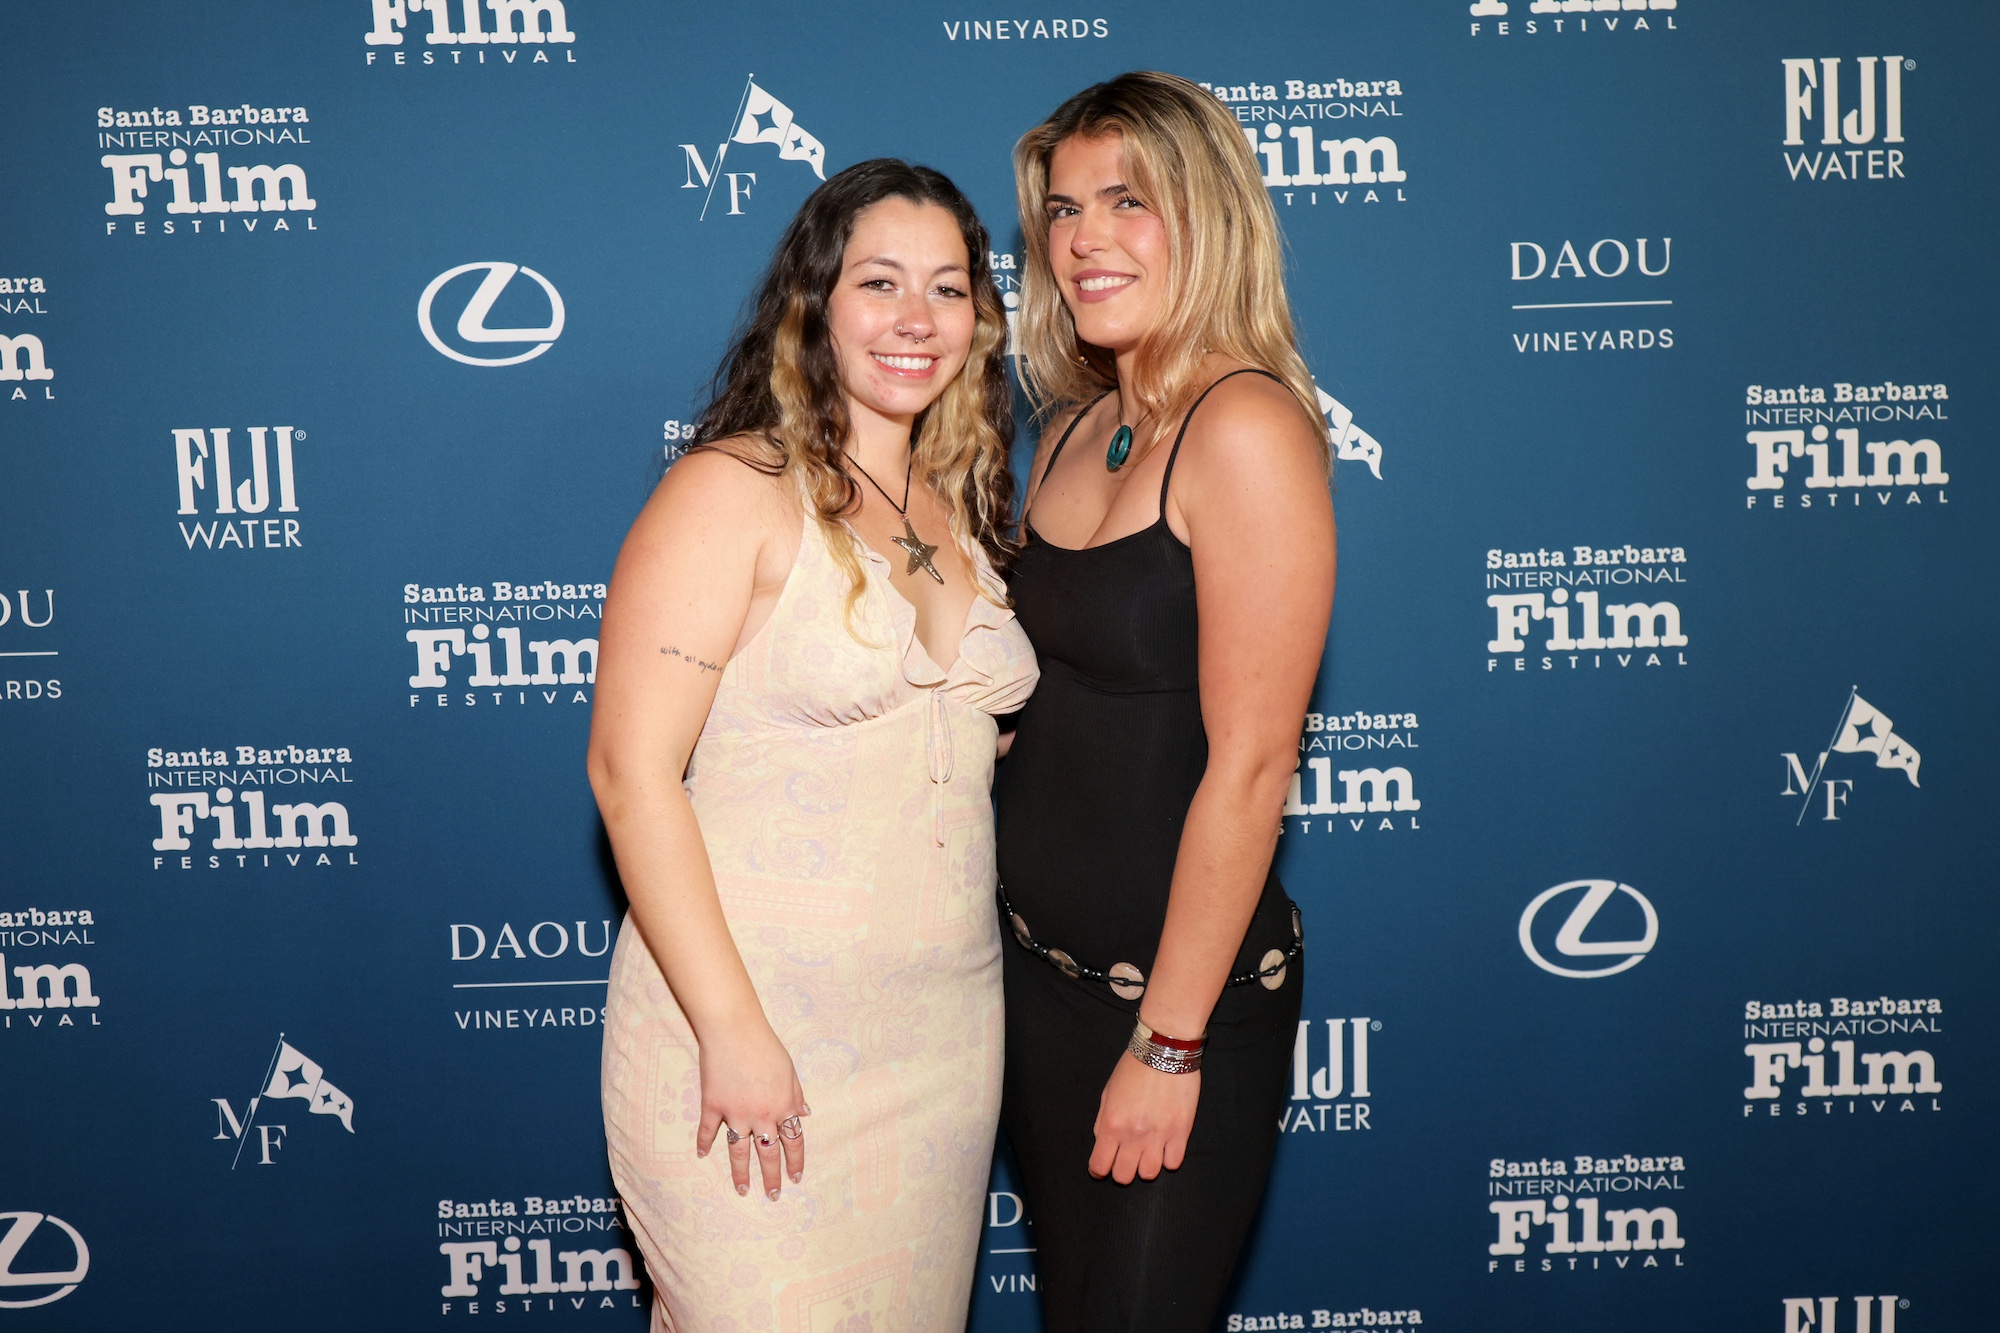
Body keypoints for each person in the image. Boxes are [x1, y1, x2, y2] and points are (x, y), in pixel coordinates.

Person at [588, 159, 1036, 1333]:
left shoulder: (961, 502)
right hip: (748, 1020)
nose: (914, 318)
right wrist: (731, 1032)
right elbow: (630, 775)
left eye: (947, 288)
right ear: (814, 303)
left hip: (941, 1042)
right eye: (878, 282)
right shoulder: (731, 489)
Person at [994, 72, 1338, 1331]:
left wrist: (1168, 1041)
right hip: (1033, 984)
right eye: (1063, 208)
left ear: (1207, 216)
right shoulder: (1067, 427)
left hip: (1173, 1008)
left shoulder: (1244, 427)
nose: (1083, 238)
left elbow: (1250, 767)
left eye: (1126, 201)